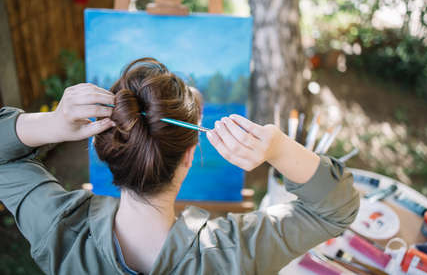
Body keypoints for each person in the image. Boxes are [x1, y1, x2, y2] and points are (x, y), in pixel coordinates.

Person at [0, 57, 359, 275]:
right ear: (190, 154)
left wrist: (53, 124)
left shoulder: (58, 229)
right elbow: (335, 209)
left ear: (101, 144)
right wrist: (278, 147)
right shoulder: (235, 255)